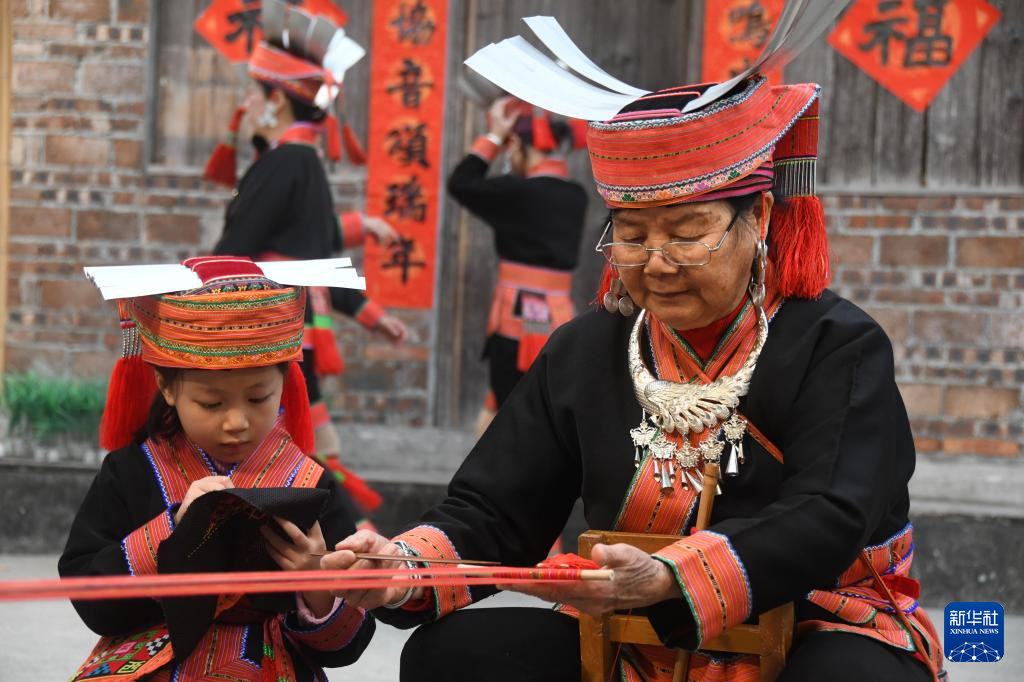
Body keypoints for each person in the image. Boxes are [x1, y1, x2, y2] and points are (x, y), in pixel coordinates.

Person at [319, 24, 945, 682]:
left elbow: (829, 512)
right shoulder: (586, 350)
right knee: (452, 656)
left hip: (815, 620)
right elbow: (496, 511)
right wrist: (402, 567)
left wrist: (673, 574)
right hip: (628, 635)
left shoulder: (836, 345)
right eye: (633, 235)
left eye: (687, 233)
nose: (658, 263)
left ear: (759, 218)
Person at [60, 256, 375, 681]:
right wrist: (173, 528)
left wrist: (316, 582)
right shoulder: (132, 469)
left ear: (285, 382)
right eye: (211, 403)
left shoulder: (309, 479)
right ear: (166, 388)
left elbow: (347, 645)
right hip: (154, 661)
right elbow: (90, 596)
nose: (236, 422)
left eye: (259, 398)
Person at [207, 2, 406, 519]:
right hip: (293, 322)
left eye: (254, 91)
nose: (246, 102)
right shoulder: (299, 160)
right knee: (302, 439)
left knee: (294, 445)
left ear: (276, 100)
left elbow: (238, 247)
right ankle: (349, 530)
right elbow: (310, 245)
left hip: (275, 322)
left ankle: (351, 533)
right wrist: (370, 312)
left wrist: (188, 290)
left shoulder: (286, 162)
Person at [447, 96, 588, 436]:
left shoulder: (516, 193)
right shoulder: (577, 196)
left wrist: (494, 136)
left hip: (516, 320)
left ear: (518, 147)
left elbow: (460, 182)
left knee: (513, 407)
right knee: (521, 402)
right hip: (557, 319)